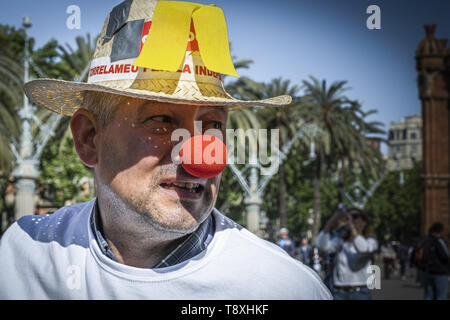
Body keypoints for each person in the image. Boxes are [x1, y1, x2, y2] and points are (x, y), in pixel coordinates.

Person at [0, 0, 331, 300]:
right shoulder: (24, 255)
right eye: (160, 120)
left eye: (212, 125)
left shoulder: (282, 289)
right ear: (89, 138)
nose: (197, 154)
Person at [316, 208, 378, 300]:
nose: (351, 219)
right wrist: (331, 221)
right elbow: (322, 245)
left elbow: (362, 248)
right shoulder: (341, 240)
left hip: (361, 292)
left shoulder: (371, 241)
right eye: (349, 216)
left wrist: (351, 227)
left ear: (364, 222)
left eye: (355, 216)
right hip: (340, 292)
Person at [422, 222, 450, 300]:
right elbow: (445, 256)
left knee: (428, 296)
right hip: (440, 272)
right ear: (440, 231)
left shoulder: (425, 241)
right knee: (440, 296)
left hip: (428, 271)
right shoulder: (439, 241)